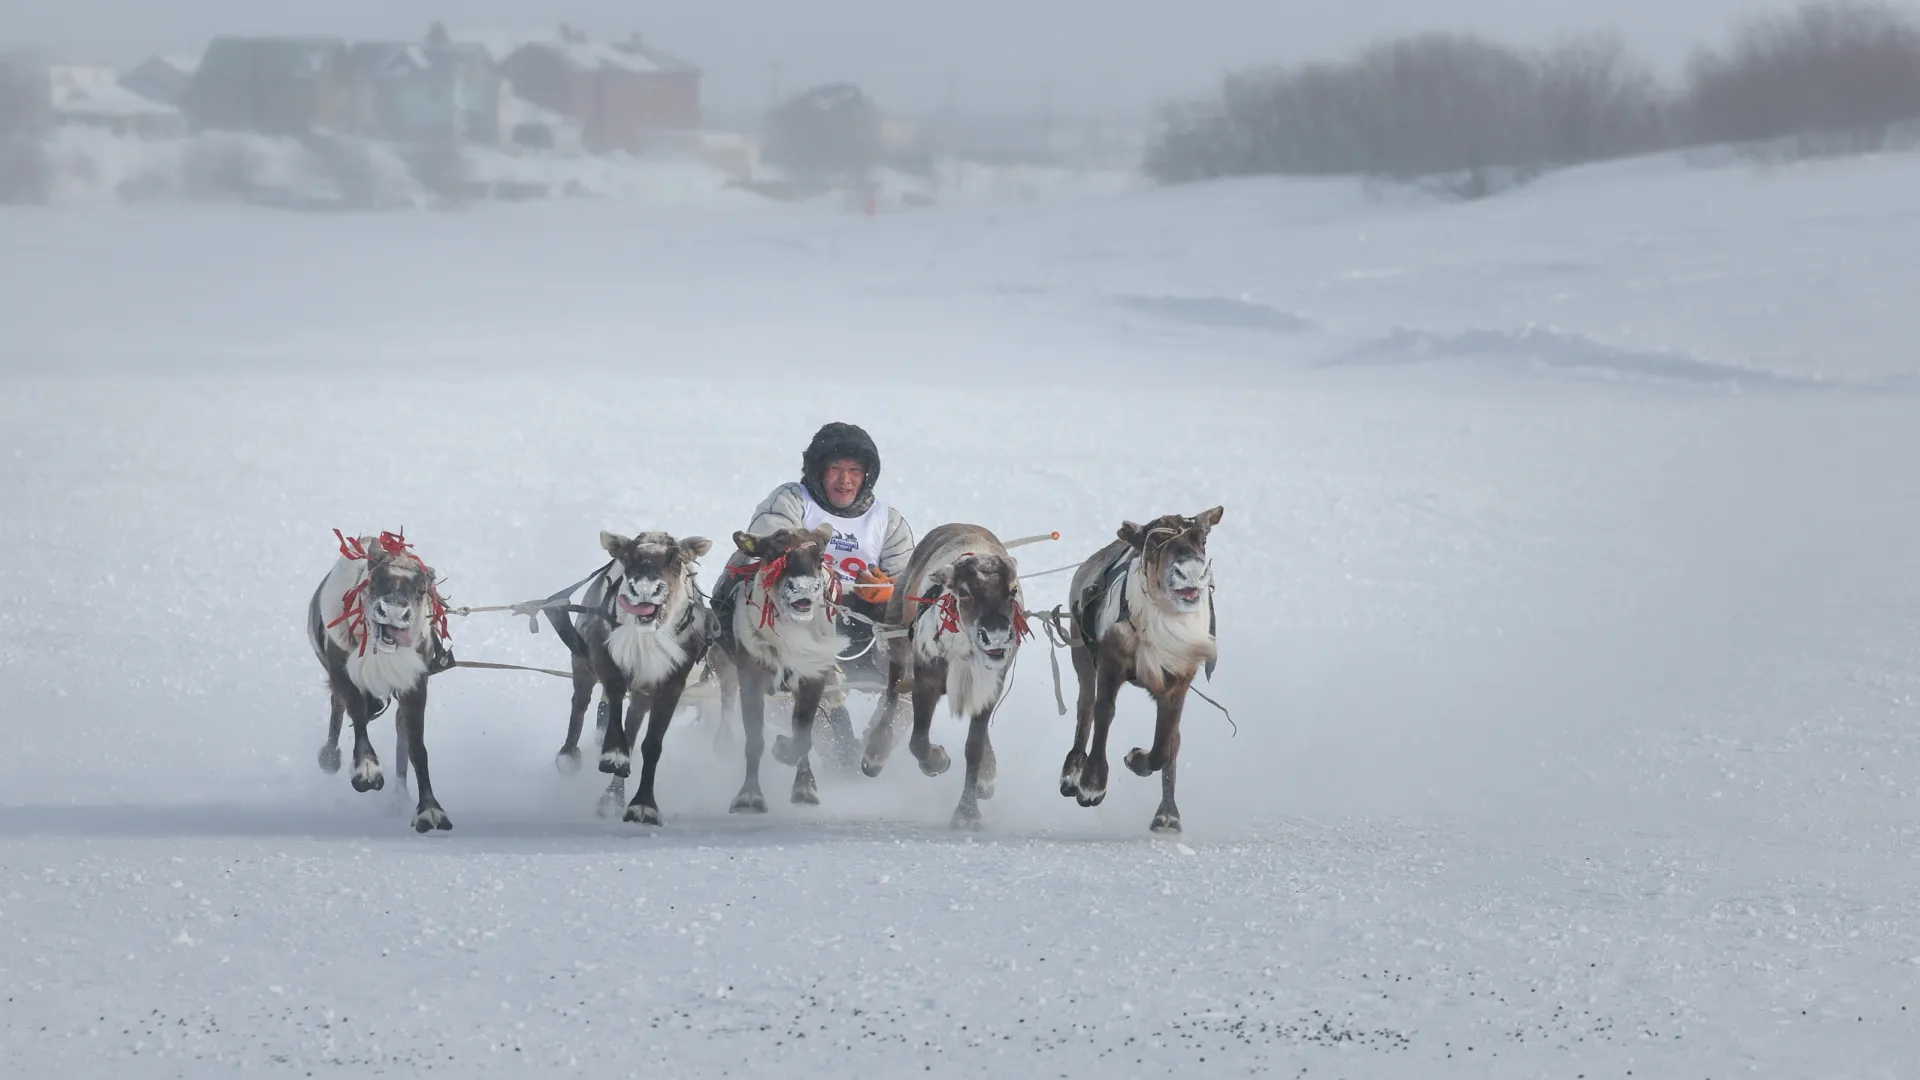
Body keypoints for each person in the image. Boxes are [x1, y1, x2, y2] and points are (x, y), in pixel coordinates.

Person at [714, 421, 915, 663]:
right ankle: (727, 655)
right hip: (794, 610)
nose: (845, 480)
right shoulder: (792, 500)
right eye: (836, 468)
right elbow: (771, 547)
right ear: (819, 470)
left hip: (864, 623)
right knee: (742, 565)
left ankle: (900, 691)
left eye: (855, 470)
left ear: (867, 475)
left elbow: (910, 581)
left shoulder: (887, 522)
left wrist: (888, 593)